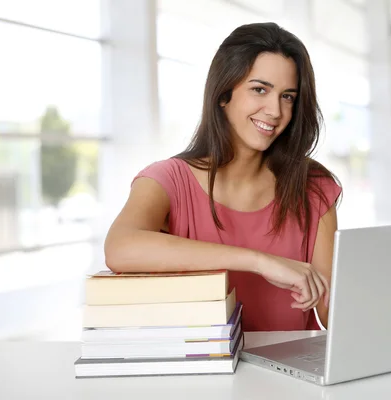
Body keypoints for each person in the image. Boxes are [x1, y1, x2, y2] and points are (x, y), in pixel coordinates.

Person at [104, 22, 342, 332]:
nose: (275, 111)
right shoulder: (168, 179)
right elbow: (119, 248)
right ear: (223, 94)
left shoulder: (313, 186)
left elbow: (332, 312)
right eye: (260, 89)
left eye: (288, 97)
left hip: (290, 378)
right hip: (201, 375)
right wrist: (260, 261)